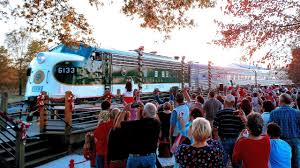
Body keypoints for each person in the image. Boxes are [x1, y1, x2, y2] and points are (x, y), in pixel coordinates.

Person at [122, 103, 160, 168]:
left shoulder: (134, 124)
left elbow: (121, 124)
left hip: (135, 158)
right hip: (150, 156)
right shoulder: (157, 123)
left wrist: (124, 110)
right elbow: (153, 116)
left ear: (144, 113)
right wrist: (144, 110)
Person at [269, 93, 300, 168]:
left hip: (280, 141)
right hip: (295, 140)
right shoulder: (297, 112)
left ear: (280, 101)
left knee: (282, 163)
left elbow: (270, 128)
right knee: (296, 163)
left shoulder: (274, 113)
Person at [213, 94, 244, 167]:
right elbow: (242, 128)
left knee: (222, 163)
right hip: (236, 140)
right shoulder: (238, 114)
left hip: (223, 140)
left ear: (225, 102)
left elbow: (215, 128)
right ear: (233, 102)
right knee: (236, 163)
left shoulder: (220, 113)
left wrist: (217, 140)